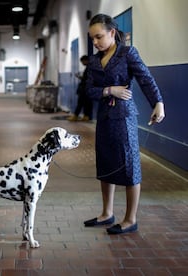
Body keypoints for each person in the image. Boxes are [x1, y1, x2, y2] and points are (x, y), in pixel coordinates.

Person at [83, 14, 165, 234]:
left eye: (99, 37)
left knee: (129, 166)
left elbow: (146, 79)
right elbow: (88, 91)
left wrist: (158, 103)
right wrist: (109, 90)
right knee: (106, 162)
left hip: (124, 117)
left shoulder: (127, 53)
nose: (95, 43)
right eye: (92, 39)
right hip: (104, 117)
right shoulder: (93, 61)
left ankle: (130, 219)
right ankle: (107, 213)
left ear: (112, 33)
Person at [68, 55, 93, 122]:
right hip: (87, 88)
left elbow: (86, 79)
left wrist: (80, 77)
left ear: (86, 60)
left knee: (81, 103)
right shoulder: (89, 68)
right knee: (86, 103)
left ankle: (76, 116)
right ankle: (86, 116)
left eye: (82, 62)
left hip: (85, 89)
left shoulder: (89, 68)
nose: (82, 63)